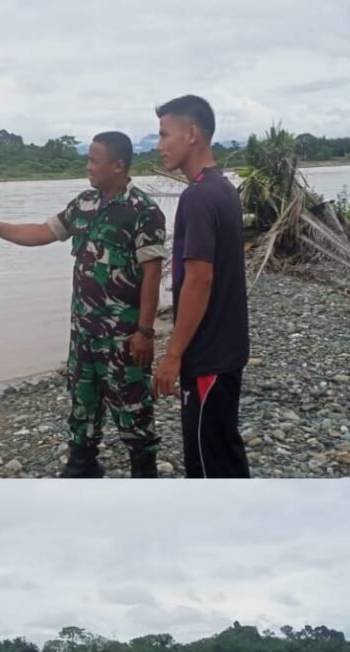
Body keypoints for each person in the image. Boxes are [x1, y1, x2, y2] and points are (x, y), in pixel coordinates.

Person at [0, 132, 166, 478]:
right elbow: (43, 232)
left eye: (93, 160)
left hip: (123, 337)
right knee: (83, 402)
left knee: (132, 406)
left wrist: (145, 331)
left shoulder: (143, 211)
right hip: (84, 332)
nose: (87, 167)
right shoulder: (83, 204)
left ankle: (144, 472)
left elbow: (152, 274)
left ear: (117, 165)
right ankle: (82, 465)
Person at [152, 94, 251, 478]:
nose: (160, 146)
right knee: (224, 450)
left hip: (209, 355)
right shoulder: (222, 189)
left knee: (208, 463)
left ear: (191, 134)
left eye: (164, 135)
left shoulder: (197, 197)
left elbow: (199, 280)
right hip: (227, 349)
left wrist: (173, 355)